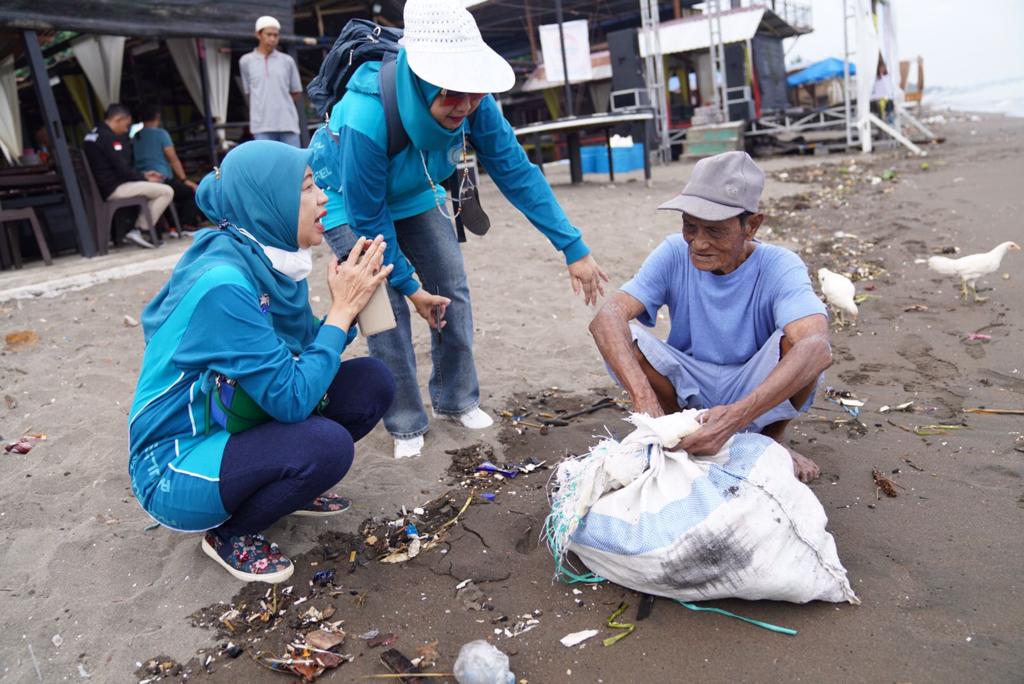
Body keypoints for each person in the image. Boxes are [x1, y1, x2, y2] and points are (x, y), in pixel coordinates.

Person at [310, 0, 608, 459]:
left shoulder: (473, 100)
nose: (465, 106)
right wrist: (411, 287)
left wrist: (573, 247)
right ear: (426, 79)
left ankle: (456, 398)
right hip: (349, 202)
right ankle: (405, 421)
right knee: (382, 307)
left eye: (473, 94)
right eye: (452, 95)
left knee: (451, 284)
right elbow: (370, 222)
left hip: (414, 186)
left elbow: (515, 170)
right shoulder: (364, 114)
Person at [127, 141, 395, 583]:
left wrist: (347, 305)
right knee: (327, 446)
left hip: (234, 419)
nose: (323, 197)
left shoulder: (267, 258)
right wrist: (342, 312)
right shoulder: (225, 283)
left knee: (371, 382)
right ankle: (231, 534)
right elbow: (291, 399)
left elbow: (308, 346)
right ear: (267, 200)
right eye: (308, 187)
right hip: (174, 464)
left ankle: (283, 488)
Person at [588, 151, 831, 482]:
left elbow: (818, 347)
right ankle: (679, 435)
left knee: (802, 347)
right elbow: (606, 318)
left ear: (752, 225)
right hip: (689, 386)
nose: (699, 243)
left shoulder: (779, 265)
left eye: (715, 231)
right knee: (621, 335)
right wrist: (647, 406)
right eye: (690, 226)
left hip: (752, 386)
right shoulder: (674, 251)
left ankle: (768, 442)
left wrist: (734, 417)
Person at [83, 103, 175, 249]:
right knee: (166, 191)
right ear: (118, 119)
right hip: (114, 188)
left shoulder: (92, 135)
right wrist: (146, 178)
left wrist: (143, 175)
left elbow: (119, 169)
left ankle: (141, 231)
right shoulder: (107, 138)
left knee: (155, 188)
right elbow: (123, 170)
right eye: (126, 125)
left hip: (104, 186)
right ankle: (141, 230)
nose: (127, 129)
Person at [133, 103, 201, 229]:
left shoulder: (135, 136)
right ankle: (186, 224)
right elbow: (173, 159)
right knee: (190, 192)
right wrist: (184, 179)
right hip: (160, 177)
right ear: (158, 117)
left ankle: (171, 225)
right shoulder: (161, 134)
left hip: (142, 179)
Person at [239, 16, 303, 147]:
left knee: (293, 165)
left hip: (288, 124)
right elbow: (249, 92)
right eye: (269, 34)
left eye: (276, 35)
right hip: (261, 126)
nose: (273, 39)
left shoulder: (287, 61)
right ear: (258, 35)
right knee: (267, 166)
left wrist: (281, 104)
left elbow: (296, 92)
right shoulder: (246, 61)